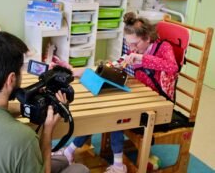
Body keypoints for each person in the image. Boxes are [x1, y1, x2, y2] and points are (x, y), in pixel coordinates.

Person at [53, 12, 178, 173]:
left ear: (147, 37)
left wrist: (141, 58)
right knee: (100, 108)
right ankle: (70, 152)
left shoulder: (163, 48)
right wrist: (76, 71)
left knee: (115, 115)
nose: (131, 48)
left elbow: (172, 67)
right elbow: (111, 66)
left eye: (135, 44)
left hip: (158, 103)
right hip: (140, 95)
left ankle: (118, 166)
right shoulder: (135, 51)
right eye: (129, 44)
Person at [0, 31, 89, 173]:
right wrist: (48, 130)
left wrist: (32, 104)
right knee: (80, 169)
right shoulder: (23, 138)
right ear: (11, 79)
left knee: (62, 161)